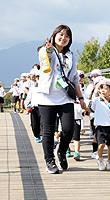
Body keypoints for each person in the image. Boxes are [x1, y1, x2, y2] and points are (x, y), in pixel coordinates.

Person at [37, 24, 85, 174]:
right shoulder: (45, 50)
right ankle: (49, 161)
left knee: (69, 128)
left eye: (67, 36)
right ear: (54, 35)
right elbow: (46, 59)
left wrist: (81, 98)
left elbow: (75, 78)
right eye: (61, 34)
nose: (63, 38)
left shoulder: (70, 55)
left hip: (65, 97)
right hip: (47, 98)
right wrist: (49, 49)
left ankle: (62, 151)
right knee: (48, 131)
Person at [24, 71, 42, 143]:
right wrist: (26, 105)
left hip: (44, 107)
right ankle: (37, 136)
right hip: (34, 107)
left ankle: (43, 135)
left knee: (43, 123)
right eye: (38, 78)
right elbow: (29, 97)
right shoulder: (32, 88)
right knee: (34, 124)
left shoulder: (46, 87)